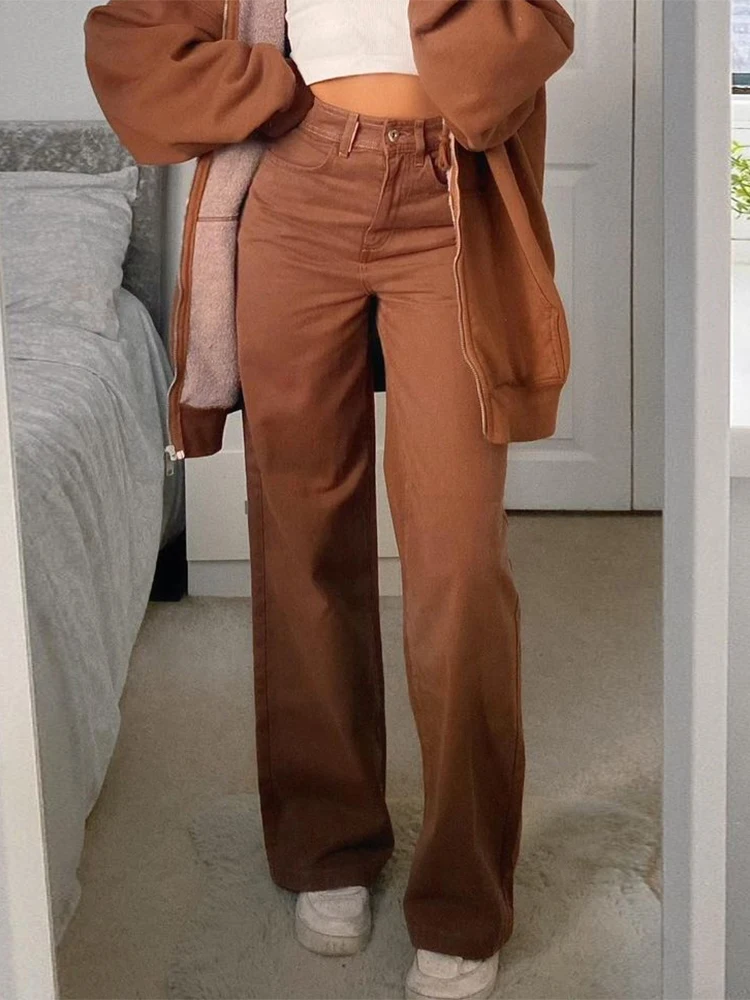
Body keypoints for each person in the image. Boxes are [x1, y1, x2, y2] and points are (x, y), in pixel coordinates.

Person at [84, 2, 574, 997]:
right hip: (298, 189)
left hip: (449, 192)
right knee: (303, 535)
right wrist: (269, 87)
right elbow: (128, 39)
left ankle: (464, 894)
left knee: (460, 565)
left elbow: (535, 33)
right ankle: (328, 841)